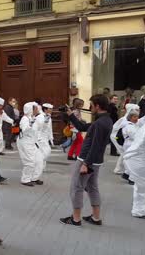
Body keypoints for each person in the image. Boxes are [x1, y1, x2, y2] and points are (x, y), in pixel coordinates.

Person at [60, 94, 113, 227]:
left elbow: (95, 145)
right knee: (92, 187)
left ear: (97, 106)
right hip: (96, 161)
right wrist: (70, 114)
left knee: (76, 188)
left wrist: (85, 164)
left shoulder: (100, 123)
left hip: (87, 160)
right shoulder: (105, 120)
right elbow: (82, 127)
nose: (89, 107)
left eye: (91, 105)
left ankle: (76, 219)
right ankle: (96, 217)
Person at [18, 102, 43, 186]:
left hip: (33, 142)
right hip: (26, 142)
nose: (37, 110)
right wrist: (31, 123)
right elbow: (24, 129)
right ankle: (25, 179)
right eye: (35, 108)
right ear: (30, 109)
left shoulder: (33, 117)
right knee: (30, 161)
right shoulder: (25, 119)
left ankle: (34, 178)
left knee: (39, 160)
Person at [35, 103, 54, 171]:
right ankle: (38, 164)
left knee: (44, 152)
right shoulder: (40, 116)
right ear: (45, 109)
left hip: (46, 138)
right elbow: (38, 127)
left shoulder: (48, 116)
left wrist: (51, 138)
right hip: (40, 137)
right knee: (46, 151)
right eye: (50, 109)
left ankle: (41, 167)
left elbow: (50, 128)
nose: (51, 110)